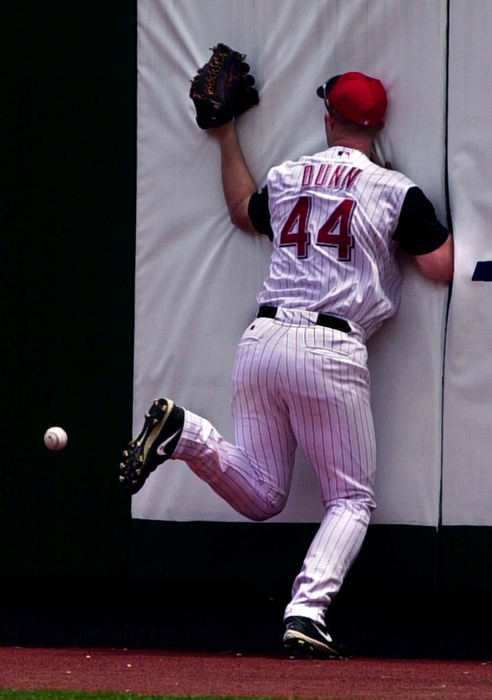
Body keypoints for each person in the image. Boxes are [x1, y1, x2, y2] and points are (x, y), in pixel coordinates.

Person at [119, 72, 453, 658]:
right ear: (377, 129)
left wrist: (225, 135)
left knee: (265, 497)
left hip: (264, 338)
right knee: (350, 500)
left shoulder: (288, 175)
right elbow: (440, 267)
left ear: (329, 121)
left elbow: (241, 213)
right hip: (330, 346)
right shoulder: (395, 191)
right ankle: (307, 610)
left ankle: (186, 433)